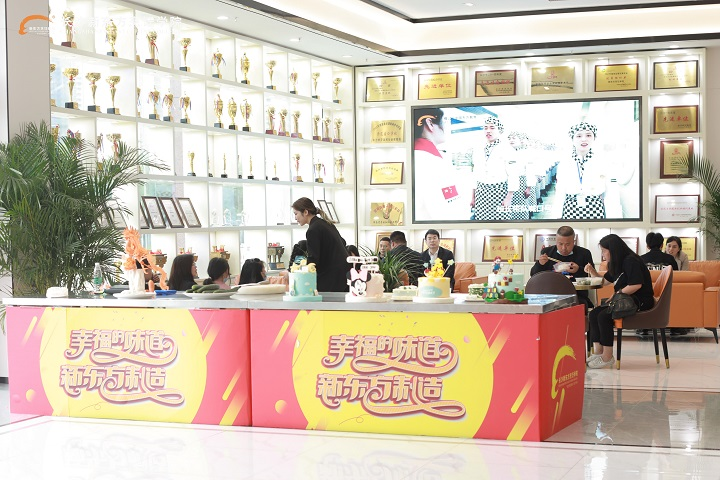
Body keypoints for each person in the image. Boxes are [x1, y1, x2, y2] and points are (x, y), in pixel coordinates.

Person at [584, 234, 654, 369]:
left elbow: (636, 285)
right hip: (625, 299)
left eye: (604, 251)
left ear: (613, 250)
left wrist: (617, 293)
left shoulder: (631, 261)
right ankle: (598, 352)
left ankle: (607, 357)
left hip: (640, 300)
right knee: (594, 313)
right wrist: (592, 271)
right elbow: (604, 282)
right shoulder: (616, 263)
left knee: (604, 316)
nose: (603, 254)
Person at [413, 108, 467, 221]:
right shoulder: (435, 163)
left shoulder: (408, 157)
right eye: (443, 122)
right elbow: (450, 212)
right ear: (430, 123)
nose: (444, 128)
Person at [530, 225, 595, 310]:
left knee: (577, 306)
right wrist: (540, 264)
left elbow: (592, 277)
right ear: (556, 241)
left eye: (568, 244)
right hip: (551, 294)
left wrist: (578, 269)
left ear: (574, 242)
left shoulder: (584, 253)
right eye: (560, 244)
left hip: (577, 295)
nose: (564, 248)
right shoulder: (547, 252)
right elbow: (534, 275)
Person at [292, 197, 349, 292]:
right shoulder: (326, 223)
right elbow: (343, 242)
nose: (295, 218)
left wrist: (297, 271)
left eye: (296, 214)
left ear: (305, 212)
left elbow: (313, 260)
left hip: (331, 279)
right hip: (343, 276)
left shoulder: (313, 230)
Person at [553, 122, 607, 219]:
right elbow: (560, 192)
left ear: (594, 138)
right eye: (578, 136)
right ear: (572, 139)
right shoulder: (565, 162)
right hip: (570, 208)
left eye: (588, 135)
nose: (584, 139)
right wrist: (557, 216)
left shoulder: (602, 161)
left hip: (595, 208)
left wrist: (612, 219)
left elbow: (610, 193)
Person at [471, 116, 520, 221]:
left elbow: (513, 175)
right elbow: (475, 173)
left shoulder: (507, 149)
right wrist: (473, 197)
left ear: (500, 130)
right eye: (485, 128)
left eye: (492, 128)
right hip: (481, 194)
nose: (488, 131)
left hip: (500, 193)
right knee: (482, 223)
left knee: (501, 224)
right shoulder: (478, 148)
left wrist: (509, 198)